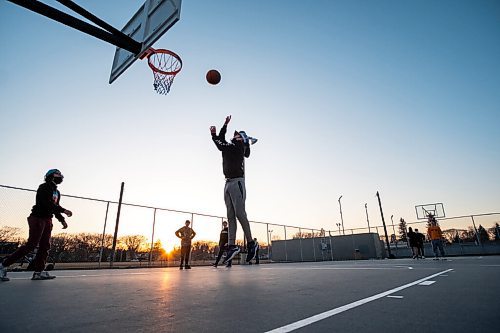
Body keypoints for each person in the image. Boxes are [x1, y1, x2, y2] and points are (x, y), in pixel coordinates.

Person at [0, 169, 72, 281]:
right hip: (37, 218)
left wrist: (62, 219)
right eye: (58, 174)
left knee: (45, 246)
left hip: (48, 219)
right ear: (51, 176)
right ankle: (3, 265)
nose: (60, 176)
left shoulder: (57, 192)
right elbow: (46, 203)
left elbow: (54, 207)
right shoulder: (44, 187)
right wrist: (64, 210)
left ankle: (38, 272)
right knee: (31, 245)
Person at [210, 115, 259, 264]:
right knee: (230, 215)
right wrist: (224, 125)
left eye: (236, 135)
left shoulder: (237, 148)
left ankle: (251, 243)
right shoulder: (230, 146)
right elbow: (221, 139)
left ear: (241, 139)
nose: (233, 136)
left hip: (237, 182)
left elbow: (219, 142)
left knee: (239, 213)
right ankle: (231, 246)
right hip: (227, 183)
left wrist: (213, 135)